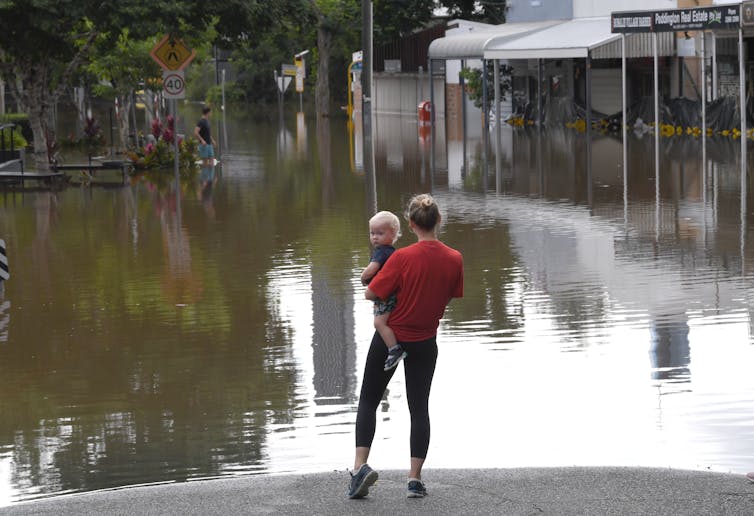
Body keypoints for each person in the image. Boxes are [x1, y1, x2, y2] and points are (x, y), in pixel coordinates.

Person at [347, 193, 464, 500]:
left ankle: (360, 468)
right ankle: (414, 479)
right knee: (419, 409)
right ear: (438, 220)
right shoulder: (454, 258)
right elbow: (448, 295)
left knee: (369, 400)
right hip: (425, 340)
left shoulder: (400, 258)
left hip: (392, 338)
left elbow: (371, 293)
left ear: (411, 225)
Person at [359, 211, 405, 371]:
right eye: (372, 233)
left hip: (385, 295)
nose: (375, 237)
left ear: (392, 234)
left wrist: (363, 276)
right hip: (391, 294)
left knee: (379, 322)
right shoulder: (393, 252)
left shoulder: (381, 252)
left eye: (380, 233)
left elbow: (372, 268)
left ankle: (394, 349)